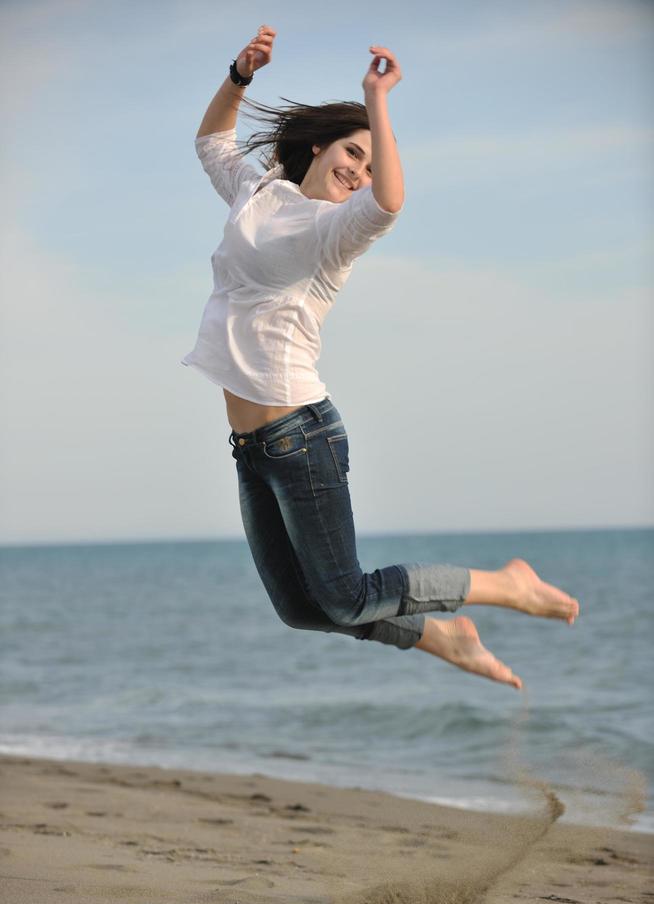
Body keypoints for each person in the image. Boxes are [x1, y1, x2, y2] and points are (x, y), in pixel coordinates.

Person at [182, 25, 580, 690]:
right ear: (320, 144)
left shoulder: (335, 234)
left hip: (299, 435)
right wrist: (239, 77)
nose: (358, 173)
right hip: (251, 446)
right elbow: (212, 143)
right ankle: (444, 635)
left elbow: (389, 202)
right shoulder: (260, 194)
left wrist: (377, 99)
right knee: (301, 610)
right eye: (352, 152)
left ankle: (503, 587)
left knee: (345, 595)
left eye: (369, 165)